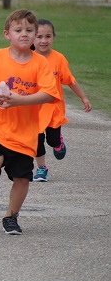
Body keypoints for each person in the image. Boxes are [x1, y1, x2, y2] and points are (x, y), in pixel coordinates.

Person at [0, 9, 59, 235]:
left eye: (30, 30)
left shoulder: (40, 64)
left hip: (25, 133)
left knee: (22, 177)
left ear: (36, 34)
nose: (24, 34)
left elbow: (50, 93)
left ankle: (11, 216)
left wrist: (20, 100)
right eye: (18, 30)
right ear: (7, 34)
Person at [32, 19, 92, 182]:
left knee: (51, 140)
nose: (43, 41)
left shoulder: (58, 59)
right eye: (39, 36)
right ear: (32, 37)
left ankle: (58, 143)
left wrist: (83, 97)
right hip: (33, 109)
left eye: (48, 36)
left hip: (53, 109)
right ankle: (42, 169)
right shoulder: (26, 57)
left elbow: (70, 80)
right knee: (36, 142)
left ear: (53, 37)